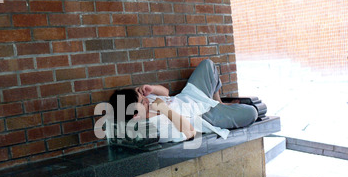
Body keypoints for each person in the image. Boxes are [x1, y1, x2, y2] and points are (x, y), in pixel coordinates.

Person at [108, 59, 258, 143]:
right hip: (205, 116)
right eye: (142, 101)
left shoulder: (146, 103)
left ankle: (219, 101)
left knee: (208, 65)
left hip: (190, 96)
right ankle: (219, 107)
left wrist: (151, 89)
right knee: (251, 112)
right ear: (135, 115)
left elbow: (166, 93)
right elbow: (190, 132)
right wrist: (165, 111)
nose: (146, 100)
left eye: (143, 97)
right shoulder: (155, 128)